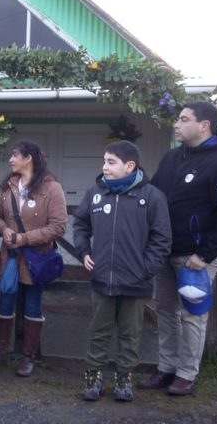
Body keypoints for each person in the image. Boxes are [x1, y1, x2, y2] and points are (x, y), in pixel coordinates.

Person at [139, 101, 217, 395]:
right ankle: (166, 368)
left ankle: (186, 374)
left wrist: (205, 254)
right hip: (164, 251)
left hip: (195, 256)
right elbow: (154, 195)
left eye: (184, 119)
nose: (176, 124)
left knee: (192, 314)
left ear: (204, 125)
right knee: (165, 310)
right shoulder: (172, 158)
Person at [73, 141, 172, 402]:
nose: (104, 167)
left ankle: (124, 379)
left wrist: (145, 269)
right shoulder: (95, 193)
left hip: (136, 282)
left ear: (130, 166)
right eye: (104, 161)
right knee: (98, 332)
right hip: (102, 279)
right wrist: (84, 251)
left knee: (130, 334)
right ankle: (93, 379)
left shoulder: (152, 197)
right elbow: (80, 224)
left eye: (111, 162)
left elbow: (162, 238)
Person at [0, 140, 67, 377]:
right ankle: (0, 351)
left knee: (32, 306)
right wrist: (4, 230)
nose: (11, 160)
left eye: (15, 155)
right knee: (4, 304)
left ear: (28, 158)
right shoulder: (8, 186)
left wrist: (25, 238)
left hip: (36, 260)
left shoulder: (52, 188)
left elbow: (58, 226)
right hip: (10, 258)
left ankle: (28, 357)